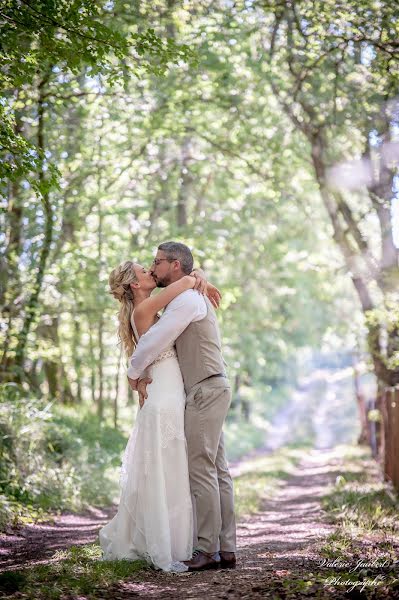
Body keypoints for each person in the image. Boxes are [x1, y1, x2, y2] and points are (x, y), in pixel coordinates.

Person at [98, 259, 220, 572]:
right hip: (164, 393)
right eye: (143, 270)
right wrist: (199, 277)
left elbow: (188, 282)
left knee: (173, 464)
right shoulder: (146, 309)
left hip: (169, 388)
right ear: (135, 285)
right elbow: (185, 283)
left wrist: (200, 276)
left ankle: (178, 539)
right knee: (169, 463)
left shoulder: (152, 308)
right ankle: (167, 541)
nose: (150, 271)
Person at [127, 241, 237, 572]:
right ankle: (226, 548)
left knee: (202, 468)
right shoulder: (186, 293)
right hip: (208, 387)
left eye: (157, 262)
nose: (153, 267)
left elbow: (157, 339)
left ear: (175, 265)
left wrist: (133, 374)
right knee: (217, 469)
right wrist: (196, 277)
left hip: (205, 389)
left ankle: (206, 549)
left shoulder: (187, 300)